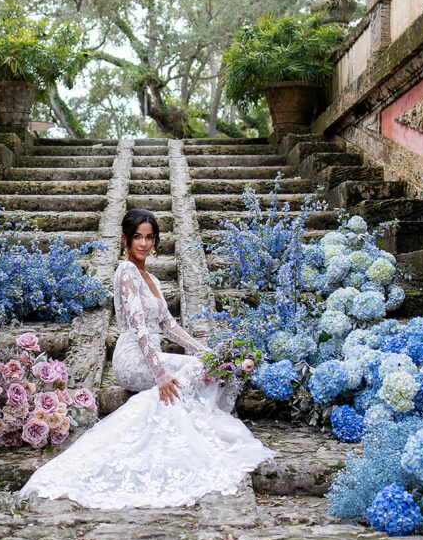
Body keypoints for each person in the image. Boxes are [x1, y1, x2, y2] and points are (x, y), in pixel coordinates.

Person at [19, 209, 274, 509]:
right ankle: (200, 438)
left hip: (152, 352)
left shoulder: (150, 277)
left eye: (149, 237)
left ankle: (198, 435)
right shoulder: (126, 272)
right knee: (191, 372)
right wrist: (162, 374)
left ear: (155, 240)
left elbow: (169, 325)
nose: (143, 243)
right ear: (126, 239)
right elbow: (139, 326)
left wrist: (208, 352)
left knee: (205, 366)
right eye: (137, 237)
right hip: (132, 355)